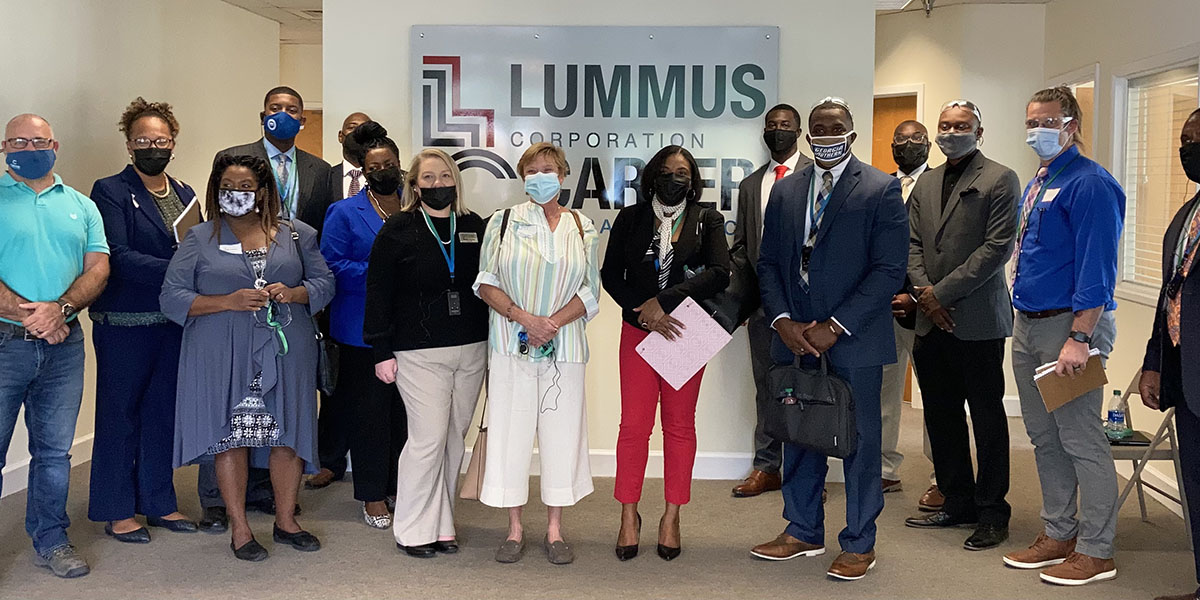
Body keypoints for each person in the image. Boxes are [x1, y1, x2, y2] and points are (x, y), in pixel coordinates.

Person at [751, 98, 908, 581]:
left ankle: (860, 542)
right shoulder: (785, 189)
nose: (825, 134)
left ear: (852, 134)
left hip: (853, 339)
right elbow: (770, 263)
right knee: (799, 432)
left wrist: (834, 326)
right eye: (817, 128)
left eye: (834, 127)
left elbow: (889, 270)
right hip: (794, 337)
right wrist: (782, 321)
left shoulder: (881, 189)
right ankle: (802, 530)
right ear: (807, 135)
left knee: (859, 440)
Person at [160, 154, 335, 562]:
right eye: (226, 187)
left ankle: (286, 520)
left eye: (243, 187)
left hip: (285, 349)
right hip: (222, 353)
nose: (234, 195)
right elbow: (172, 297)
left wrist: (294, 293)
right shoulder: (198, 238)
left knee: (286, 433)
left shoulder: (295, 235)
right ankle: (239, 527)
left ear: (262, 192)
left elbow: (324, 282)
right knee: (231, 436)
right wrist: (227, 301)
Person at [1003, 86, 1124, 586]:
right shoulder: (1042, 178)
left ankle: (1097, 550)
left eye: (1048, 121)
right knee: (1044, 437)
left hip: (1069, 328)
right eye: (1032, 121)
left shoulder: (1091, 184)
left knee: (1080, 437)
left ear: (1071, 124)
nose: (1037, 131)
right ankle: (1059, 533)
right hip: (1027, 325)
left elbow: (1098, 269)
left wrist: (1080, 337)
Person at [198, 85, 332, 524]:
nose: (284, 115)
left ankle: (280, 506)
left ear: (303, 118)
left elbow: (323, 264)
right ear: (263, 114)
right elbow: (208, 241)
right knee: (229, 418)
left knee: (283, 418)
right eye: (276, 108)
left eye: (293, 109)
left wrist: (297, 291)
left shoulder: (319, 170)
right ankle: (221, 504)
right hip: (231, 321)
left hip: (286, 308)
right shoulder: (234, 157)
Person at [473, 142, 600, 565]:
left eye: (548, 169)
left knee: (561, 437)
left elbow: (590, 291)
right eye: (532, 170)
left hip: (565, 349)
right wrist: (524, 318)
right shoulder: (503, 221)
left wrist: (552, 324)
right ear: (523, 178)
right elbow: (485, 283)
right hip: (511, 345)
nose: (540, 176)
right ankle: (512, 529)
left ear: (562, 176)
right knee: (510, 434)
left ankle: (554, 529)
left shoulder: (582, 226)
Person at [602, 145, 731, 561]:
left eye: (684, 172)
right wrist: (644, 314)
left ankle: (672, 515)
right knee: (634, 427)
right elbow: (610, 275)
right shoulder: (631, 217)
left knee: (679, 426)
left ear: (693, 181)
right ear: (653, 175)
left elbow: (719, 273)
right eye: (668, 170)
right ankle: (628, 514)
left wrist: (667, 302)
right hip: (637, 330)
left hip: (685, 331)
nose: (676, 177)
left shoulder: (706, 218)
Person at [902, 100, 1018, 551]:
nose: (951, 132)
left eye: (961, 126)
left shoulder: (1000, 178)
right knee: (941, 416)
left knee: (987, 417)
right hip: (931, 323)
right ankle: (957, 500)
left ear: (979, 131)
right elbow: (911, 244)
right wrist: (925, 296)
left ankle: (992, 512)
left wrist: (939, 294)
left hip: (977, 321)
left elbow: (996, 248)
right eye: (945, 126)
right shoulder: (927, 182)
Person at [0, 113, 110, 578]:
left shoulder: (82, 206)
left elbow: (99, 268)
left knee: (53, 452)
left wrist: (60, 310)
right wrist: (36, 314)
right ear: (4, 147)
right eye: (18, 141)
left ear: (56, 145)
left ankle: (51, 538)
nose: (28, 147)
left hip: (65, 347)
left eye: (38, 140)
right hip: (5, 343)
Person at [364, 147, 488, 558]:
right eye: (429, 178)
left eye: (446, 176)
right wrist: (381, 349)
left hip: (472, 347)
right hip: (418, 351)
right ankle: (414, 528)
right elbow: (378, 293)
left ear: (456, 180)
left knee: (454, 437)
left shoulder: (474, 226)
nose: (439, 185)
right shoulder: (398, 229)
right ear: (414, 185)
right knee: (427, 439)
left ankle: (443, 522)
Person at [87, 98, 199, 543]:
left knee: (161, 414)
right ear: (129, 144)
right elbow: (119, 255)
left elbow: (196, 246)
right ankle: (117, 508)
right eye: (143, 140)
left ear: (173, 141)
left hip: (172, 321)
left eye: (161, 139)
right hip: (125, 322)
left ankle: (159, 501)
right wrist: (179, 269)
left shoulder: (186, 192)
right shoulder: (110, 190)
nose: (153, 146)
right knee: (120, 415)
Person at [319, 122, 408, 528]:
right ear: (363, 170)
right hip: (360, 330)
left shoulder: (417, 206)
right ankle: (372, 495)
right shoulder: (343, 212)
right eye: (375, 166)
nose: (383, 170)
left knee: (405, 417)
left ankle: (399, 486)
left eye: (390, 163)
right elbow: (332, 266)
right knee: (370, 415)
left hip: (412, 330)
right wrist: (383, 271)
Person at [731, 103, 813, 499]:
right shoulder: (750, 186)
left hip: (809, 308)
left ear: (798, 131)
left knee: (809, 386)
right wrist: (743, 302)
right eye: (771, 125)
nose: (778, 131)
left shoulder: (818, 176)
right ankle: (767, 467)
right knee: (767, 386)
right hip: (764, 306)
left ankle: (807, 471)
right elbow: (742, 249)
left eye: (785, 125)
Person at [1141, 107, 1200, 600]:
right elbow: (1170, 293)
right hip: (1186, 373)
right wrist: (1154, 362)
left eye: (1199, 137)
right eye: (1185, 138)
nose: (1190, 146)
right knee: (1197, 487)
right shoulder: (1187, 213)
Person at [307, 111, 375, 491]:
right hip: (333, 298)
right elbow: (312, 230)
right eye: (352, 129)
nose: (358, 135)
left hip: (374, 302)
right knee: (334, 384)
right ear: (339, 136)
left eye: (364, 129)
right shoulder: (323, 177)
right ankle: (329, 459)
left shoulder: (393, 180)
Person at [881, 119, 942, 509]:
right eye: (900, 140)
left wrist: (918, 296)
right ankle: (884, 468)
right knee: (883, 392)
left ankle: (943, 476)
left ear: (929, 144)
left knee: (936, 394)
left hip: (927, 305)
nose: (907, 145)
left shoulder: (941, 185)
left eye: (916, 139)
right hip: (882, 306)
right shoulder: (880, 185)